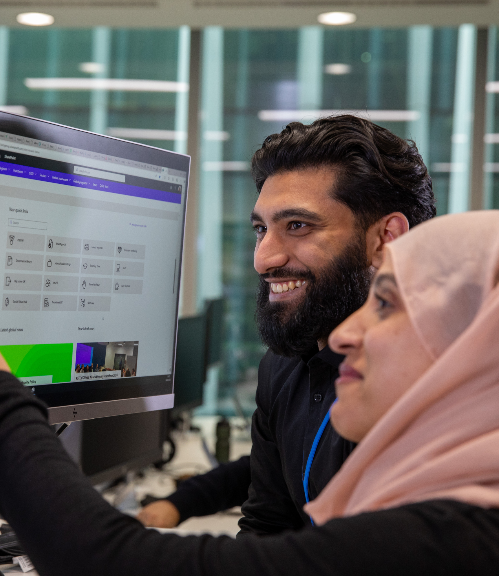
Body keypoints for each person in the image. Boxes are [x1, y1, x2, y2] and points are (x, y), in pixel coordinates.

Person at [0, 210, 499, 575]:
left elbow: (102, 563)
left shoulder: (459, 542)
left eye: (385, 304)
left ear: (483, 349)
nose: (342, 335)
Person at [139, 114, 436, 530]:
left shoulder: (432, 386)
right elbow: (266, 528)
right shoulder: (283, 366)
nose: (264, 258)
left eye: (297, 225)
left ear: (386, 239)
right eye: (262, 229)